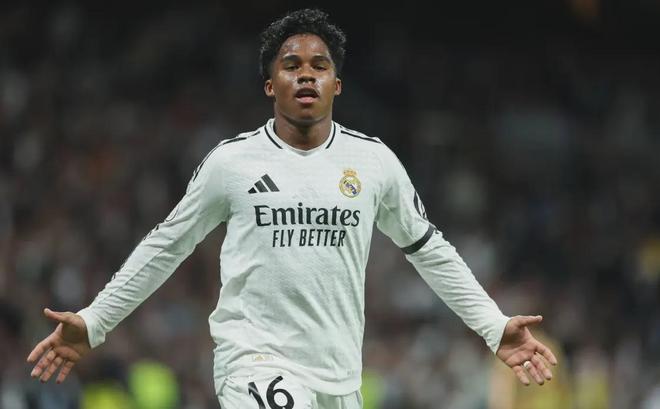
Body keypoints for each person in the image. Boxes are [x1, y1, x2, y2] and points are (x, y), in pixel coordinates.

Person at [27, 8, 557, 408]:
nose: (306, 75)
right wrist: (94, 320)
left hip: (339, 377)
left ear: (336, 85)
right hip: (254, 362)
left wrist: (493, 325)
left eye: (319, 66)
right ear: (270, 84)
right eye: (291, 65)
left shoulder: (373, 163)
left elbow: (429, 249)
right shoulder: (232, 163)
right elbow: (167, 244)